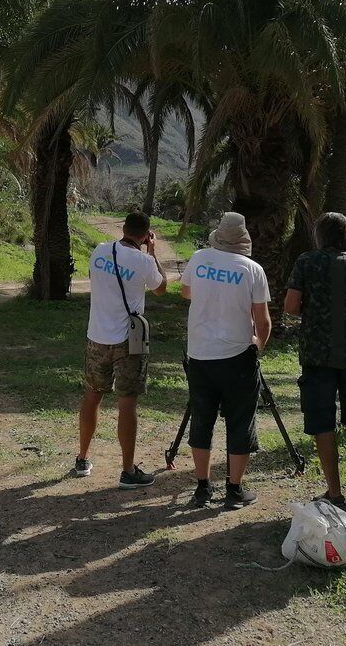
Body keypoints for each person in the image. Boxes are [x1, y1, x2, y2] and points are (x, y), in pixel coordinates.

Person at [284, 212, 346, 506]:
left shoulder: (306, 262)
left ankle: (335, 491)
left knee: (322, 421)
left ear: (320, 236)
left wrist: (314, 310)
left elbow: (291, 305)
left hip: (316, 356)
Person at [179, 212, 273, 509]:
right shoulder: (252, 269)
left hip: (200, 354)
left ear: (218, 235)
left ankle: (202, 488)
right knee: (240, 421)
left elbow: (185, 291)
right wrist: (258, 344)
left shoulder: (198, 258)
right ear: (243, 240)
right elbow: (264, 321)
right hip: (237, 357)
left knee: (202, 419)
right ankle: (234, 490)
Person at [75, 212, 168, 488]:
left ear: (123, 228)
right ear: (145, 235)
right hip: (129, 340)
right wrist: (153, 254)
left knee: (92, 395)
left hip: (97, 336)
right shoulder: (144, 261)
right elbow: (161, 288)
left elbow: (94, 276)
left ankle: (82, 458)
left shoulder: (101, 250)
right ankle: (128, 470)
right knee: (127, 402)